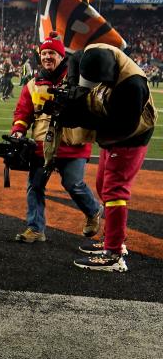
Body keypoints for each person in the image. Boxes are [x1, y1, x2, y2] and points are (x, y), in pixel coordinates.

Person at [53, 43, 157, 272]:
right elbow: (74, 58)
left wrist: (80, 117)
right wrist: (73, 86)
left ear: (108, 76)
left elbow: (121, 127)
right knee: (102, 185)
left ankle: (114, 254)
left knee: (114, 190)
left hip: (131, 136)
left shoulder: (132, 86)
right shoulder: (93, 51)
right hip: (115, 133)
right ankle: (113, 239)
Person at [9, 35, 102, 244]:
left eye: (52, 53)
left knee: (73, 184)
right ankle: (35, 229)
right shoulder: (32, 84)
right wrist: (18, 131)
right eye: (44, 53)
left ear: (61, 56)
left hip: (73, 143)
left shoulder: (77, 79)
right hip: (43, 144)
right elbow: (22, 113)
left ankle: (93, 210)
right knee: (35, 186)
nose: (47, 57)